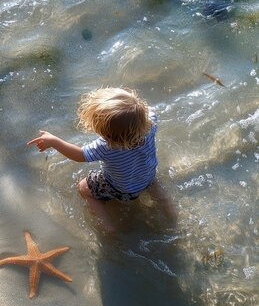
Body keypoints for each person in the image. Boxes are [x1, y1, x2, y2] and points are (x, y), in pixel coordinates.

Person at [27, 87, 176, 233]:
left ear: (105, 133)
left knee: (84, 187)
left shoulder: (105, 147)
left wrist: (54, 141)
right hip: (147, 177)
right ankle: (170, 212)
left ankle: (107, 226)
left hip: (121, 189)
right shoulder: (151, 125)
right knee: (156, 189)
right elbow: (148, 112)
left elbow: (79, 155)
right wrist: (133, 110)